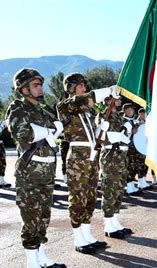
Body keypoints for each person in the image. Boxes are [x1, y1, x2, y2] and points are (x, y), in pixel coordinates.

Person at [7, 68, 66, 268]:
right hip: (30, 173)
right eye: (35, 85)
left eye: (40, 84)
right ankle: (32, 263)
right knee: (31, 218)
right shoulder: (18, 108)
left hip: (47, 171)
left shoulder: (43, 111)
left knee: (43, 217)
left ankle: (42, 257)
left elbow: (58, 127)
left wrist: (53, 128)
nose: (40, 87)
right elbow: (23, 133)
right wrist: (49, 131)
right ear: (23, 89)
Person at [57, 72, 116, 254]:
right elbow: (87, 99)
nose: (84, 88)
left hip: (91, 158)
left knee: (90, 197)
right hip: (77, 159)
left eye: (84, 85)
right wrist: (109, 91)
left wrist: (101, 129)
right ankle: (78, 238)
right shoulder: (66, 106)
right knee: (77, 198)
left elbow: (94, 137)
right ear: (71, 88)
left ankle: (87, 234)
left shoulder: (86, 113)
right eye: (81, 85)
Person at [96, 96, 133, 239]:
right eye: (116, 99)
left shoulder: (118, 116)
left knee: (118, 190)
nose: (119, 101)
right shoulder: (103, 115)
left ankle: (115, 222)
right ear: (108, 101)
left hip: (122, 157)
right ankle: (108, 224)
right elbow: (108, 136)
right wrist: (123, 132)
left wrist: (128, 131)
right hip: (111, 157)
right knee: (110, 190)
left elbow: (127, 135)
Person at [123, 103, 142, 196]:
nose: (131, 111)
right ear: (125, 111)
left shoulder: (132, 120)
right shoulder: (124, 121)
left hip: (134, 148)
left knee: (134, 167)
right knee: (129, 167)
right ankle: (129, 188)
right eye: (129, 110)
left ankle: (131, 186)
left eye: (132, 109)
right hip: (127, 148)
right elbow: (132, 132)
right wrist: (137, 126)